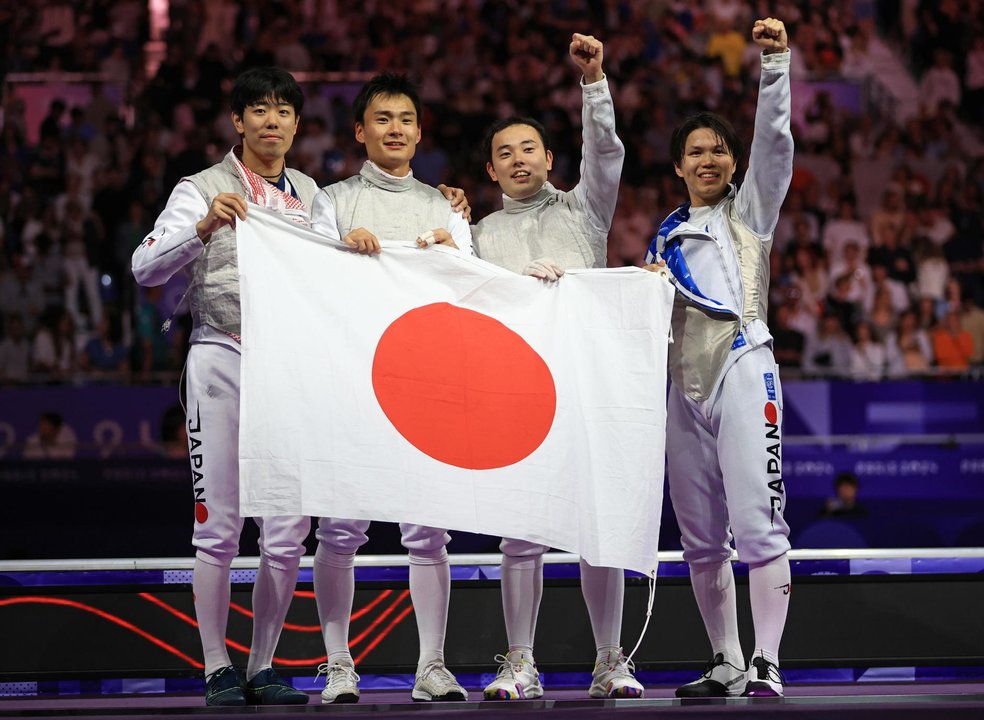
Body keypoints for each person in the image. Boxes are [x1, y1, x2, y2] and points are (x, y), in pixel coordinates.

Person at [132, 67, 315, 707]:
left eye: (283, 110)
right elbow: (144, 266)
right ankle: (216, 666)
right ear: (237, 121)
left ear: (296, 122)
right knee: (219, 527)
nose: (271, 120)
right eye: (258, 109)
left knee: (289, 531)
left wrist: (446, 209)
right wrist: (204, 226)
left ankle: (263, 665)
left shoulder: (312, 195)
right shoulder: (200, 188)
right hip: (222, 359)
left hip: (290, 370)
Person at [473, 33, 643, 702]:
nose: (518, 160)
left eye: (528, 150)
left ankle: (610, 659)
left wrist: (594, 83)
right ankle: (520, 662)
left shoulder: (585, 208)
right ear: (491, 171)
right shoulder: (480, 234)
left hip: (590, 387)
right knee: (522, 534)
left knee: (601, 529)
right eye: (504, 154)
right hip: (518, 395)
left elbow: (605, 152)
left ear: (549, 159)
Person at [310, 72, 472, 705]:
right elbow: (310, 274)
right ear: (360, 131)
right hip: (351, 378)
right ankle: (337, 663)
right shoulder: (332, 200)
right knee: (340, 529)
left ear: (419, 131)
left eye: (405, 118)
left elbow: (471, 287)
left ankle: (432, 665)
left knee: (429, 531)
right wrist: (339, 250)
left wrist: (450, 248)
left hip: (424, 381)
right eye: (382, 119)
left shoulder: (444, 207)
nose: (396, 128)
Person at [644, 17, 793, 698]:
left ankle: (768, 658)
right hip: (683, 388)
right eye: (694, 152)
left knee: (759, 521)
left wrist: (774, 66)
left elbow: (775, 144)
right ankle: (727, 660)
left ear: (733, 163)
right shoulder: (665, 234)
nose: (708, 160)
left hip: (741, 367)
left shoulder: (751, 210)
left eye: (718, 151)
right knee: (701, 540)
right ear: (678, 166)